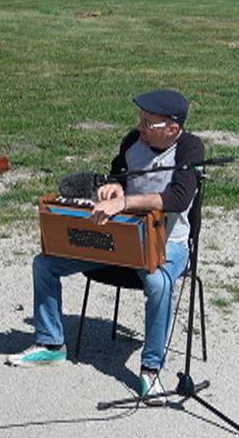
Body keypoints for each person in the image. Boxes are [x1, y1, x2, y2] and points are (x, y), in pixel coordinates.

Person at [10, 89, 202, 400]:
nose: (140, 126)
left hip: (169, 243)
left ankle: (151, 371)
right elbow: (118, 176)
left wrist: (126, 201)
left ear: (172, 128)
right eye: (140, 119)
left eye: (149, 122)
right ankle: (50, 344)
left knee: (157, 282)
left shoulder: (190, 148)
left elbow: (179, 199)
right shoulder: (132, 142)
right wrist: (113, 188)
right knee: (44, 264)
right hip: (121, 237)